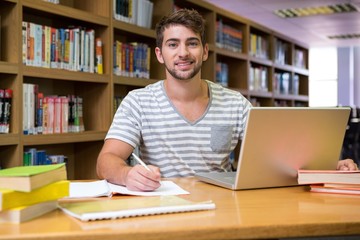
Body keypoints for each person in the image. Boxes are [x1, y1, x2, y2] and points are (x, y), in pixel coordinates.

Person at [96, 9, 358, 192]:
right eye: (173, 44)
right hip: (164, 203)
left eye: (192, 43)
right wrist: (127, 174)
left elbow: (280, 154)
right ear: (160, 54)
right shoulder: (137, 102)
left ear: (205, 51)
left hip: (223, 204)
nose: (183, 53)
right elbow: (106, 161)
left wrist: (330, 166)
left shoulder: (235, 104)